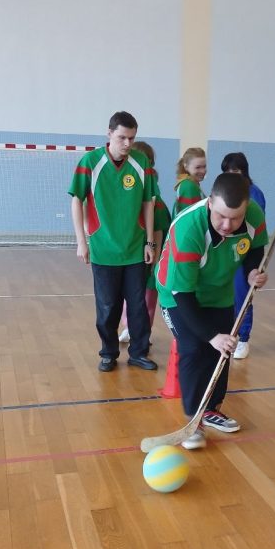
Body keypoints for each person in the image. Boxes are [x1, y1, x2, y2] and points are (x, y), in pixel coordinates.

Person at [156, 173, 268, 450]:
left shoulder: (254, 214)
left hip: (219, 292)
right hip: (177, 294)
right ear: (209, 203)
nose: (227, 225)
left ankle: (211, 410)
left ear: (246, 208)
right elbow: (183, 295)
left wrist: (252, 272)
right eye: (221, 216)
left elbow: (255, 248)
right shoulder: (188, 230)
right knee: (194, 348)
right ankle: (193, 421)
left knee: (222, 351)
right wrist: (211, 336)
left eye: (235, 218)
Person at [68, 111, 158, 372]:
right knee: (108, 306)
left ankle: (139, 352)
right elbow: (77, 200)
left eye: (132, 138)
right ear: (109, 134)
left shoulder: (141, 163)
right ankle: (108, 353)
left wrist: (149, 242)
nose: (127, 143)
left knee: (138, 305)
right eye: (122, 137)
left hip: (135, 249)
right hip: (103, 249)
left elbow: (148, 203)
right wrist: (82, 241)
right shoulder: (90, 162)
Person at [118, 141, 171, 344]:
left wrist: (154, 260)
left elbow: (157, 230)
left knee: (146, 298)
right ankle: (130, 328)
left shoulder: (154, 198)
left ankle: (142, 335)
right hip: (132, 255)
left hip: (149, 259)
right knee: (129, 295)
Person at [220, 152, 267, 359]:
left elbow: (255, 228)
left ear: (244, 171)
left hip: (244, 253)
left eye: (236, 171)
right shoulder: (224, 191)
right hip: (225, 253)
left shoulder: (254, 194)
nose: (232, 175)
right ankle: (226, 335)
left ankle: (243, 338)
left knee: (242, 296)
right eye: (228, 172)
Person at [172, 147, 207, 219]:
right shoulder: (188, 186)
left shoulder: (190, 184)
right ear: (186, 167)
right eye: (198, 167)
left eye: (204, 166)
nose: (203, 171)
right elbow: (192, 218)